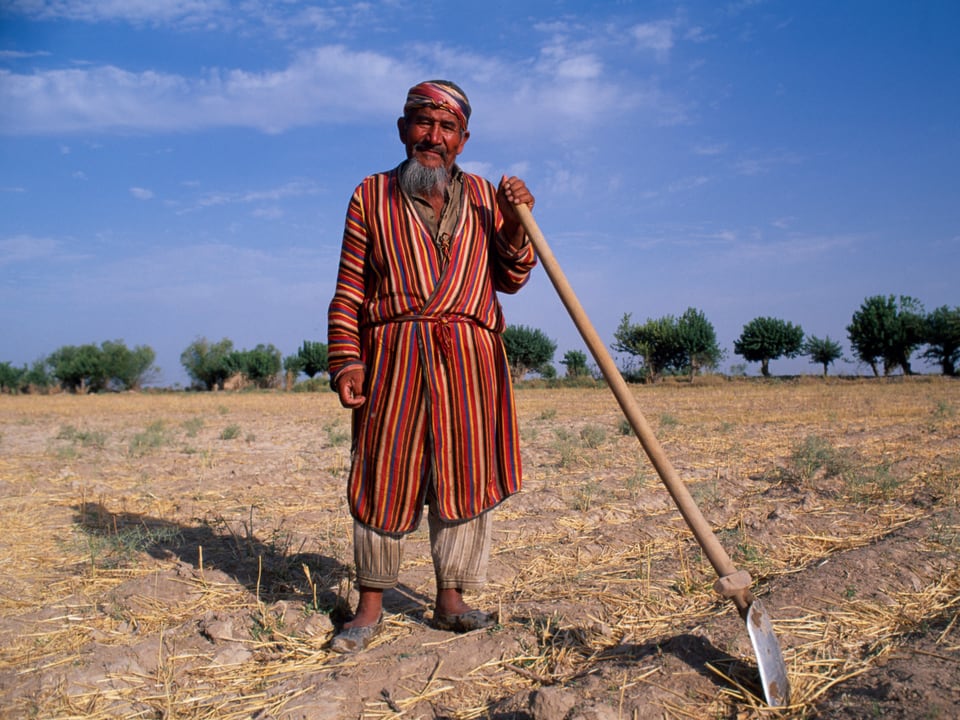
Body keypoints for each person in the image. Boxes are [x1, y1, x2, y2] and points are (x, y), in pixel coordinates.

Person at [326, 79, 537, 652]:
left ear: (463, 140)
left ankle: (451, 601)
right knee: (384, 473)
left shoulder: (488, 199)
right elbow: (349, 291)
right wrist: (348, 362)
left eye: (446, 128)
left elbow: (511, 279)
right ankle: (370, 607)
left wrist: (517, 222)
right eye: (423, 123)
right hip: (393, 357)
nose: (433, 137)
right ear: (403, 130)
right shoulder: (371, 196)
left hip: (471, 364)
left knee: (464, 476)